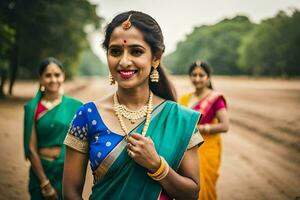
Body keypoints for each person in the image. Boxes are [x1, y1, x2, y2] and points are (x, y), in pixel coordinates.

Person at [63, 11, 204, 200]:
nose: (124, 61)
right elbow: (70, 192)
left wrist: (157, 165)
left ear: (156, 57)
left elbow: (191, 193)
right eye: (115, 51)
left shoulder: (179, 118)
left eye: (136, 51)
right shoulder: (87, 115)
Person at [23, 57, 82, 199]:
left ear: (63, 76)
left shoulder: (76, 106)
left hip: (66, 172)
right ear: (41, 78)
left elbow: (82, 144)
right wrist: (44, 183)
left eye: (57, 75)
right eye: (48, 75)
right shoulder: (32, 108)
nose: (53, 79)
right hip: (41, 171)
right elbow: (31, 149)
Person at [179, 60, 229, 200]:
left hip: (207, 149)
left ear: (208, 77)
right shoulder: (185, 98)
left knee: (204, 186)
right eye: (194, 75)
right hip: (187, 148)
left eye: (201, 75)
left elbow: (225, 126)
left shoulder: (216, 99)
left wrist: (199, 128)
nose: (197, 78)